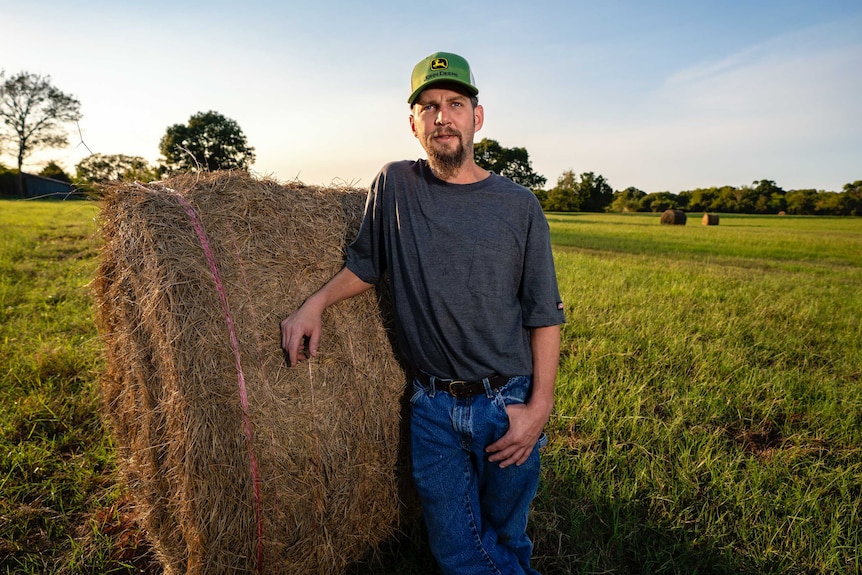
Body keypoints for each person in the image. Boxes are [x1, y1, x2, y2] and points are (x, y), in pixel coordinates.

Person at [281, 51, 566, 575]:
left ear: (476, 117)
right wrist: (314, 302)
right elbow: (366, 266)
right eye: (429, 106)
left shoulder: (519, 205)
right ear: (412, 123)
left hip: (507, 403)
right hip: (432, 411)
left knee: (507, 533)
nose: (442, 117)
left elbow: (543, 315)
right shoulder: (395, 186)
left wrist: (538, 408)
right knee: (458, 553)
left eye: (455, 103)